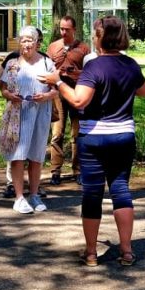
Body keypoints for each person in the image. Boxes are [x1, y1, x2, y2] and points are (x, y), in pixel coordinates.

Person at [41, 16, 145, 267]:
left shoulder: (94, 67)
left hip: (94, 137)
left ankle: (91, 253)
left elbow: (79, 101)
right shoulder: (131, 64)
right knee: (121, 189)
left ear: (100, 37)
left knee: (92, 193)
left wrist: (57, 82)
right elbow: (144, 91)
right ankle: (127, 251)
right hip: (123, 135)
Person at [0, 26, 56, 214]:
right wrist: (9, 95)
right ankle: (19, 197)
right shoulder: (12, 63)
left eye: (30, 40)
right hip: (18, 113)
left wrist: (47, 97)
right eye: (23, 40)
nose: (26, 44)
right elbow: (3, 88)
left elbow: (56, 88)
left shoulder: (47, 62)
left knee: (36, 155)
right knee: (18, 155)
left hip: (41, 113)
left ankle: (34, 194)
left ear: (37, 42)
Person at [46, 15, 90, 185]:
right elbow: (48, 70)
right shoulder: (53, 47)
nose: (63, 32)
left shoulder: (84, 48)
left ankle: (77, 169)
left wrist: (74, 73)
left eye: (67, 29)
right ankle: (55, 170)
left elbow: (90, 72)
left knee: (77, 134)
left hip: (77, 93)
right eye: (61, 29)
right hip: (57, 94)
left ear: (74, 30)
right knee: (57, 133)